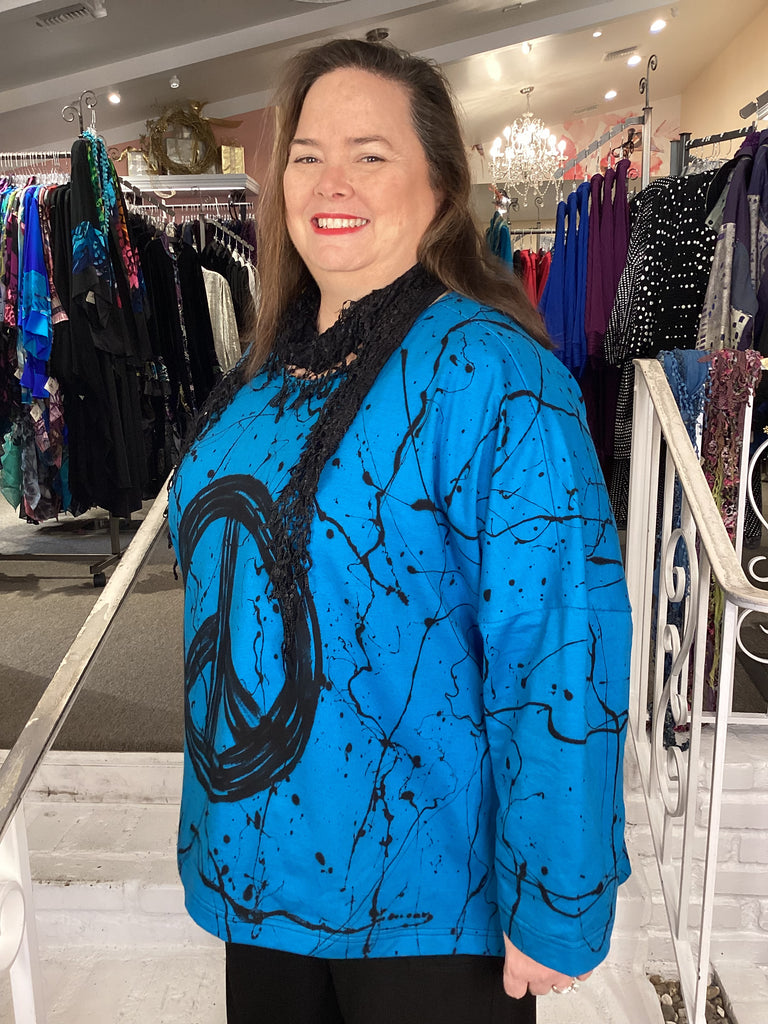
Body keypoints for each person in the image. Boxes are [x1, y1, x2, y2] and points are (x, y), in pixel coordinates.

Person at [167, 37, 632, 1024]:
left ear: (440, 186)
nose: (330, 181)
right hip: (267, 884)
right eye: (307, 154)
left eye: (369, 154)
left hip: (428, 903)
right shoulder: (263, 373)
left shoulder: (494, 376)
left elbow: (559, 643)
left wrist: (557, 897)